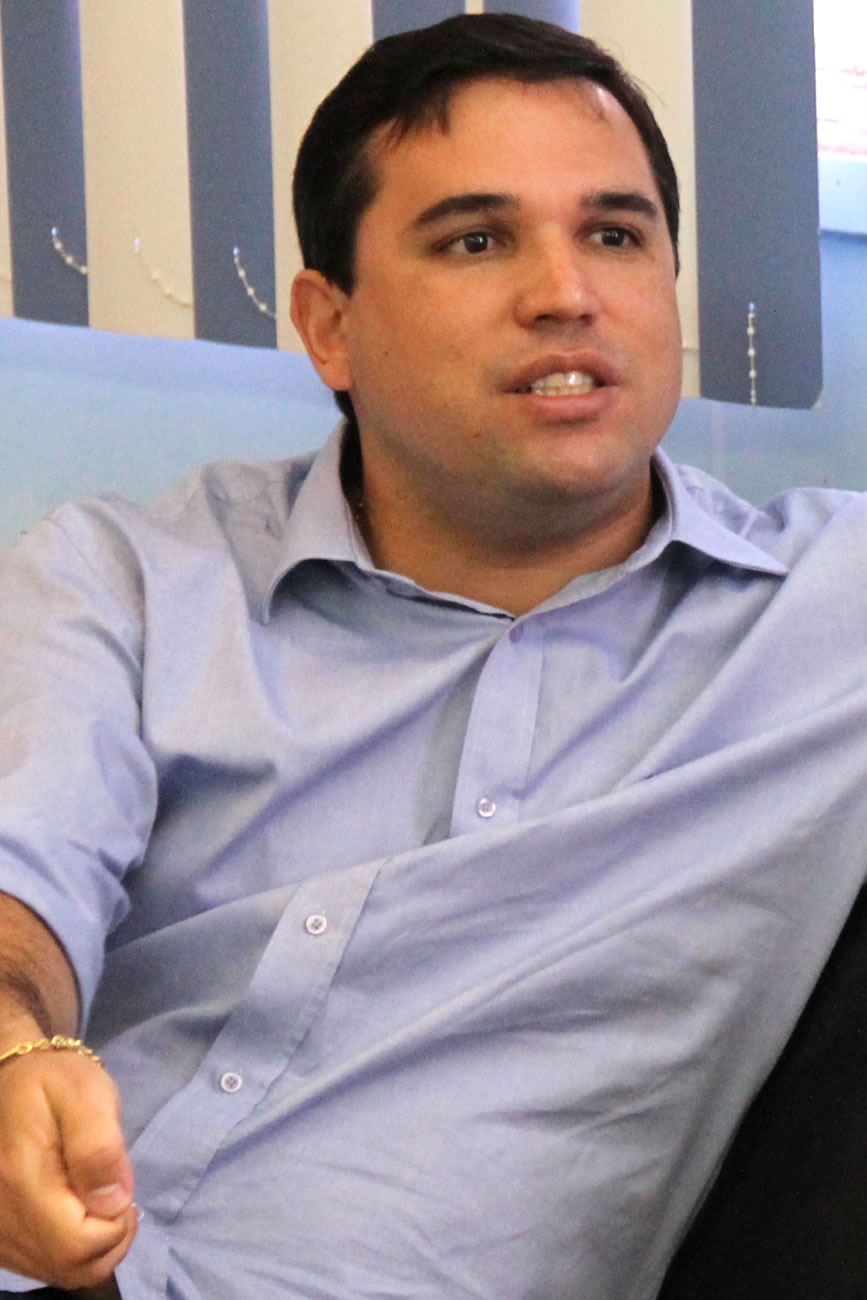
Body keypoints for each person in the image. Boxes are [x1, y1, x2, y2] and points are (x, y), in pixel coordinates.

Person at [0, 12, 865, 1299]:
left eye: (616, 235)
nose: (565, 293)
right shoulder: (123, 578)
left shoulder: (827, 613)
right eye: (476, 240)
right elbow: (22, 873)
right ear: (328, 326)